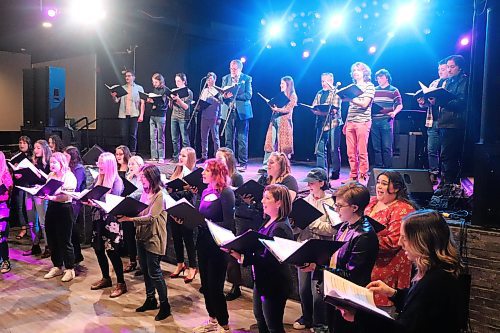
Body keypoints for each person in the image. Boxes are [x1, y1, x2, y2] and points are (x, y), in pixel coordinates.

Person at [339, 210, 465, 333]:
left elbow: (403, 328)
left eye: (404, 238)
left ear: (421, 242)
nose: (400, 243)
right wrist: (393, 293)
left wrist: (358, 317)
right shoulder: (439, 270)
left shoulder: (434, 282)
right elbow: (418, 306)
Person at [304, 182, 379, 333]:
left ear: (354, 208)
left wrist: (317, 268)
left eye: (339, 206)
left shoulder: (364, 236)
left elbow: (352, 276)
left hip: (350, 299)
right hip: (336, 293)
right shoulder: (345, 225)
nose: (336, 210)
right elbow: (334, 258)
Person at [229, 184, 294, 333]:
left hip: (274, 284)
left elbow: (271, 260)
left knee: (273, 326)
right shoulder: (269, 221)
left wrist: (243, 257)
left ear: (279, 203)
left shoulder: (280, 228)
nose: (262, 201)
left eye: (267, 198)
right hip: (262, 281)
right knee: (260, 319)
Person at [118, 164, 171, 321]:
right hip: (141, 236)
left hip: (154, 237)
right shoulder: (145, 193)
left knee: (154, 271)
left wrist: (129, 219)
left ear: (152, 178)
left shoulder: (160, 195)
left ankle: (165, 304)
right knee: (146, 269)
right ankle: (150, 299)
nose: (141, 180)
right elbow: (140, 210)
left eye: (143, 177)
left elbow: (151, 217)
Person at [191, 159, 235, 333]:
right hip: (203, 243)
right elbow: (199, 214)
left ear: (216, 173)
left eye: (206, 171)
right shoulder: (205, 191)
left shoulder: (226, 193)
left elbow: (229, 223)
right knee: (206, 286)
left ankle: (224, 325)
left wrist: (208, 224)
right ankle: (212, 320)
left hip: (217, 246)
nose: (202, 173)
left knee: (216, 287)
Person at [364, 171, 416, 311]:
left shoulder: (402, 209)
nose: (379, 186)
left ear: (396, 188)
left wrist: (363, 241)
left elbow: (393, 243)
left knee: (380, 314)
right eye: (378, 182)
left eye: (384, 183)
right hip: (368, 263)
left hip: (388, 267)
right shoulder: (372, 202)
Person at [293, 168, 335, 332]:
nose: (309, 185)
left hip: (320, 250)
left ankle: (320, 322)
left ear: (322, 183)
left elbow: (332, 229)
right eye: (308, 182)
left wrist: (312, 223)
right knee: (303, 288)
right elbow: (297, 228)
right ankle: (306, 317)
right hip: (303, 246)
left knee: (317, 289)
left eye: (312, 182)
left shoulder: (331, 203)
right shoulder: (305, 200)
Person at [88, 152, 127, 298]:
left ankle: (121, 283)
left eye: (102, 163)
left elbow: (113, 203)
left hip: (110, 221)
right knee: (98, 249)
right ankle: (106, 278)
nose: (99, 165)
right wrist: (88, 200)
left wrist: (98, 203)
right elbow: (91, 193)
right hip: (98, 219)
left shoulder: (117, 182)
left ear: (109, 165)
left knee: (112, 252)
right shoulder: (99, 178)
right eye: (98, 162)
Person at [42, 152, 77, 282]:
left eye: (54, 162)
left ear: (62, 163)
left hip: (64, 209)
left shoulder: (69, 176)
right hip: (52, 207)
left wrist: (51, 197)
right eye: (51, 162)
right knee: (52, 238)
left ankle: (70, 268)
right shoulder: (51, 175)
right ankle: (57, 265)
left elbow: (67, 196)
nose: (51, 165)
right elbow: (47, 190)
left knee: (65, 239)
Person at [435, 55, 468, 189]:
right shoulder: (448, 81)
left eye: (452, 67)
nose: (448, 70)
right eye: (447, 67)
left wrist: (443, 101)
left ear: (460, 68)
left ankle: (450, 185)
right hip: (444, 122)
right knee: (444, 156)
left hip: (454, 123)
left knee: (449, 156)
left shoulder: (464, 81)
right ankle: (445, 183)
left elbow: (461, 102)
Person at [215, 147, 244, 301]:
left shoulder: (236, 176)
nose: (217, 161)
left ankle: (236, 286)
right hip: (219, 215)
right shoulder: (217, 176)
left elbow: (240, 196)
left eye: (220, 159)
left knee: (231, 255)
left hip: (232, 219)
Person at [168, 147, 198, 283]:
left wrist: (176, 190)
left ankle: (193, 267)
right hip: (173, 210)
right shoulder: (177, 171)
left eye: (184, 156)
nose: (180, 158)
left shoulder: (194, 174)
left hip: (186, 211)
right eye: (180, 155)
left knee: (188, 240)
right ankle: (180, 264)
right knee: (176, 238)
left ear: (190, 159)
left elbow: (192, 195)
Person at [417, 59, 448, 185]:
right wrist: (422, 102)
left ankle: (445, 175)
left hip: (445, 121)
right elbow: (427, 103)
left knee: (445, 150)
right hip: (432, 121)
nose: (441, 72)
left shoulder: (449, 83)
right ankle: (433, 173)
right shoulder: (434, 83)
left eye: (443, 69)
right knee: (431, 149)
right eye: (439, 69)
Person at [343, 62, 375, 184]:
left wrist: (350, 99)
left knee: (362, 151)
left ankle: (363, 175)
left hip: (363, 121)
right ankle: (353, 175)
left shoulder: (369, 86)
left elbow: (364, 103)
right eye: (354, 70)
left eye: (358, 70)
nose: (356, 72)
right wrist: (346, 122)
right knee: (350, 152)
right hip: (351, 121)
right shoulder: (352, 87)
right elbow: (351, 108)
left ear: (364, 72)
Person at [220, 59, 253, 172]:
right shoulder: (226, 78)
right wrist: (224, 96)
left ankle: (243, 163)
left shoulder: (246, 79)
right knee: (228, 138)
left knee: (241, 138)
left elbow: (248, 95)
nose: (232, 71)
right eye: (231, 68)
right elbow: (221, 95)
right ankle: (229, 163)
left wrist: (234, 96)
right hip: (228, 111)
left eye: (234, 69)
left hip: (242, 112)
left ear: (240, 69)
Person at [261, 76, 298, 172]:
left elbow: (288, 109)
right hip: (274, 119)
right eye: (280, 83)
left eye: (282, 83)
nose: (280, 85)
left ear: (288, 84)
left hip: (284, 122)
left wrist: (278, 109)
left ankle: (283, 166)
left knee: (283, 144)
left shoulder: (293, 95)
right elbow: (275, 105)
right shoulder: (280, 95)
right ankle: (266, 165)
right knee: (270, 141)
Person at [22, 139, 51, 257]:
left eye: (38, 148)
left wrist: (40, 177)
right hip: (29, 192)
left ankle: (48, 247)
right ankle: (35, 245)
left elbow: (49, 179)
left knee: (43, 221)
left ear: (45, 149)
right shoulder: (32, 161)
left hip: (41, 193)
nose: (35, 150)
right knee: (31, 220)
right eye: (34, 148)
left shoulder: (49, 163)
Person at [312, 73, 343, 180]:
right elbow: (314, 106)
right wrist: (314, 110)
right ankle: (321, 172)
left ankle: (335, 171)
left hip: (333, 124)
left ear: (332, 81)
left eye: (326, 81)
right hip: (321, 124)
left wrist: (321, 113)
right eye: (322, 81)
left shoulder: (336, 92)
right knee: (320, 149)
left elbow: (334, 111)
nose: (324, 83)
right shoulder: (319, 93)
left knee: (334, 149)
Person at [371, 69, 403, 169]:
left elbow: (400, 105)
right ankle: (378, 168)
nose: (379, 79)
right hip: (374, 120)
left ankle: (388, 168)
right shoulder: (374, 90)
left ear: (387, 77)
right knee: (376, 147)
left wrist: (394, 112)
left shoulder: (393, 90)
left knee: (386, 146)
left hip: (386, 120)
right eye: (378, 78)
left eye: (381, 77)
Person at [63, 146, 87, 267]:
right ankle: (75, 255)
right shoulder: (68, 168)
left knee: (71, 230)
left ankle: (76, 255)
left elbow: (76, 187)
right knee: (70, 231)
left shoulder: (78, 168)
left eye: (66, 156)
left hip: (75, 203)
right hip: (67, 201)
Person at [111, 70, 145, 154]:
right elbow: (116, 101)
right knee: (123, 135)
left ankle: (133, 152)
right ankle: (124, 152)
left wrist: (141, 115)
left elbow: (142, 102)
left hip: (134, 114)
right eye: (126, 76)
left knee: (133, 135)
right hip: (123, 114)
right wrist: (113, 96)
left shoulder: (139, 88)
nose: (127, 77)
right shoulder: (122, 88)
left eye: (129, 76)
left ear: (133, 77)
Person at [123, 155, 145, 274]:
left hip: (139, 210)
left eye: (133, 164)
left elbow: (141, 192)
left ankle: (141, 264)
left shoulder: (143, 177)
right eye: (130, 164)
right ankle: (132, 260)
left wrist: (129, 196)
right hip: (128, 209)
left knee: (139, 237)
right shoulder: (128, 177)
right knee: (128, 235)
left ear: (140, 166)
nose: (130, 166)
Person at [169, 73, 193, 163]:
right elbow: (170, 107)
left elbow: (186, 107)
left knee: (185, 140)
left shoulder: (189, 92)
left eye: (178, 81)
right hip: (174, 116)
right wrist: (170, 99)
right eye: (176, 81)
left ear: (184, 81)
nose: (177, 83)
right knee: (174, 139)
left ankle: (187, 158)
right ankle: (176, 157)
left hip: (183, 117)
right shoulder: (174, 90)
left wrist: (178, 99)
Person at [198, 72, 222, 163]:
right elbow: (201, 103)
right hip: (204, 116)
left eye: (211, 79)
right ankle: (204, 155)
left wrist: (219, 117)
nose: (209, 81)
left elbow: (220, 104)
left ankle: (217, 156)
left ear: (215, 79)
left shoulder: (218, 91)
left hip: (214, 116)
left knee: (215, 137)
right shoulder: (204, 90)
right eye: (208, 79)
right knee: (203, 137)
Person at [13, 135, 33, 240]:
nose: (21, 145)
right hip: (19, 185)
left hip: (30, 185)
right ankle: (23, 228)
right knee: (20, 207)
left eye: (24, 143)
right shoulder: (15, 155)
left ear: (28, 144)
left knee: (29, 208)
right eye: (20, 143)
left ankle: (33, 229)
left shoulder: (32, 156)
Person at [147, 73, 168, 162]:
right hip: (153, 115)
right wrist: (150, 101)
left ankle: (161, 157)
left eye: (155, 82)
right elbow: (154, 100)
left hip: (161, 115)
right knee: (152, 137)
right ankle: (153, 156)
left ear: (160, 81)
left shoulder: (165, 90)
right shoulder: (154, 89)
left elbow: (165, 104)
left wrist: (156, 105)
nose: (154, 84)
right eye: (153, 82)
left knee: (160, 137)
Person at [0, 152, 13, 273]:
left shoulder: (5, 175)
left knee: (2, 236)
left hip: (2, 208)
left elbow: (6, 194)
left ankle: (5, 260)